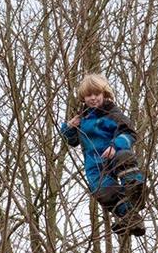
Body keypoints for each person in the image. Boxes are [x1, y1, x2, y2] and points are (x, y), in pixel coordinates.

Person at [60, 74, 147, 236]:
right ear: (83, 97)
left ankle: (135, 189)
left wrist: (115, 146)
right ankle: (131, 218)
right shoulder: (83, 118)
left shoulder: (112, 114)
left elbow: (130, 133)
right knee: (104, 193)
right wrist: (69, 127)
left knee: (124, 157)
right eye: (88, 95)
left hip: (114, 155)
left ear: (104, 94)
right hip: (95, 165)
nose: (93, 98)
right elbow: (72, 141)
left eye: (96, 94)